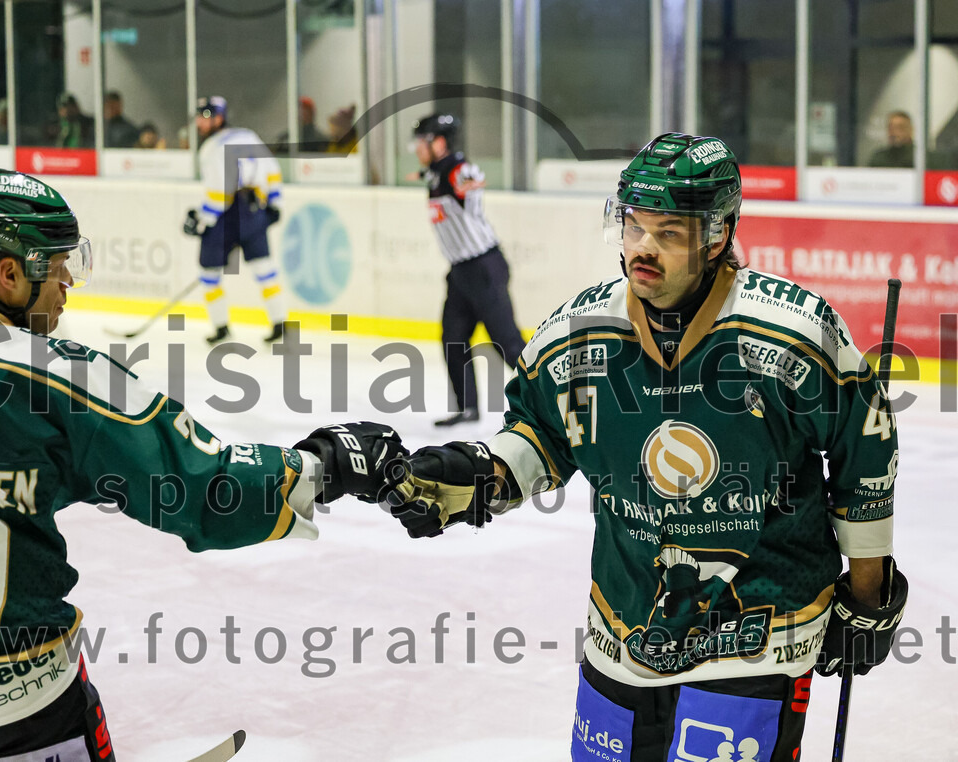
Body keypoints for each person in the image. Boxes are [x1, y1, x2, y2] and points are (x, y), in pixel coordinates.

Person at [385, 133, 907, 760]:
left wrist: (869, 592)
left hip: (762, 627)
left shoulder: (793, 332)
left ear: (717, 236)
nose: (643, 248)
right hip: (624, 625)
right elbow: (541, 435)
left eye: (669, 232)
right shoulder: (578, 335)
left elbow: (863, 455)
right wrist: (481, 473)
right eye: (633, 225)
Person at [0, 168, 404, 759]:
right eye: (56, 267)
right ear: (7, 275)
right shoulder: (59, 377)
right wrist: (324, 464)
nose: (68, 282)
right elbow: (202, 488)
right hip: (20, 698)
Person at [410, 113, 525, 426]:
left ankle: (554, 400)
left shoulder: (457, 169)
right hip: (461, 272)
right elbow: (437, 177)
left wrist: (467, 185)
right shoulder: (437, 173)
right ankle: (468, 407)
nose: (417, 148)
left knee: (507, 343)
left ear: (439, 143)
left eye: (422, 142)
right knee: (453, 338)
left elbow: (469, 179)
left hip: (483, 267)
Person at [183, 96, 286, 344]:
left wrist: (203, 220)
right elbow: (273, 170)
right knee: (264, 268)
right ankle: (280, 323)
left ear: (219, 118)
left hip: (225, 218)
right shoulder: (249, 136)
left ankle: (222, 329)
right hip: (253, 210)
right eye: (199, 116)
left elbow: (220, 195)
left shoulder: (211, 148)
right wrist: (275, 203)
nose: (200, 122)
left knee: (209, 274)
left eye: (206, 116)